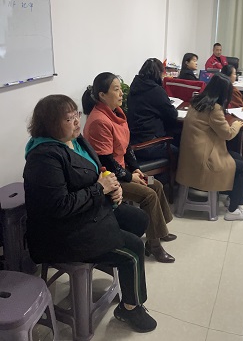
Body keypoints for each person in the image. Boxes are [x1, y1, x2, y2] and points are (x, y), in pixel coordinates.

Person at [23, 95, 157, 332]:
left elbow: (95, 173)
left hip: (88, 212)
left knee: (138, 219)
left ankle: (114, 263)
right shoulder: (43, 158)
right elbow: (59, 206)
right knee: (133, 248)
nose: (77, 121)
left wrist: (112, 188)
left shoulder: (76, 141)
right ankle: (129, 307)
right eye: (69, 119)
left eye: (76, 115)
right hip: (62, 232)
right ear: (50, 124)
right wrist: (100, 189)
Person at [83, 72, 176, 263]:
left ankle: (160, 230)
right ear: (102, 95)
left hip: (124, 171)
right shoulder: (99, 121)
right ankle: (154, 245)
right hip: (110, 178)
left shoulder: (117, 113)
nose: (121, 93)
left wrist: (135, 169)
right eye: (116, 89)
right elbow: (106, 160)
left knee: (155, 184)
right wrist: (128, 176)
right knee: (149, 195)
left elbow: (127, 146)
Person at [176, 73, 243, 221]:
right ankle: (233, 209)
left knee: (235, 157)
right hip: (203, 161)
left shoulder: (196, 102)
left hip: (189, 157)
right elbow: (227, 134)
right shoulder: (214, 109)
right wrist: (236, 125)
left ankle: (233, 197)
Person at [127, 58, 179, 162]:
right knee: (178, 150)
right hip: (149, 144)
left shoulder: (134, 87)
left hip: (134, 141)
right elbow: (172, 115)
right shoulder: (156, 90)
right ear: (158, 73)